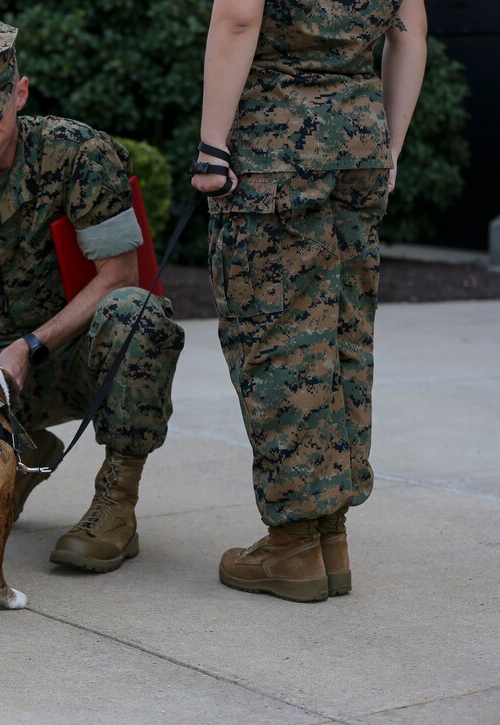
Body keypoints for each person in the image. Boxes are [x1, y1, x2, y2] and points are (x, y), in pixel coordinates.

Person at [0, 17, 185, 574]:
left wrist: (29, 346)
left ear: (20, 92)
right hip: (6, 369)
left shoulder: (79, 155)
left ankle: (116, 505)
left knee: (139, 316)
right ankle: (25, 452)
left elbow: (120, 273)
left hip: (86, 352)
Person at [191, 0, 427, 601]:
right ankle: (330, 537)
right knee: (341, 333)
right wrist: (389, 147)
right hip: (359, 144)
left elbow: (239, 18)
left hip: (278, 146)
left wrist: (213, 148)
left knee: (276, 339)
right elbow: (410, 31)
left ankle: (294, 547)